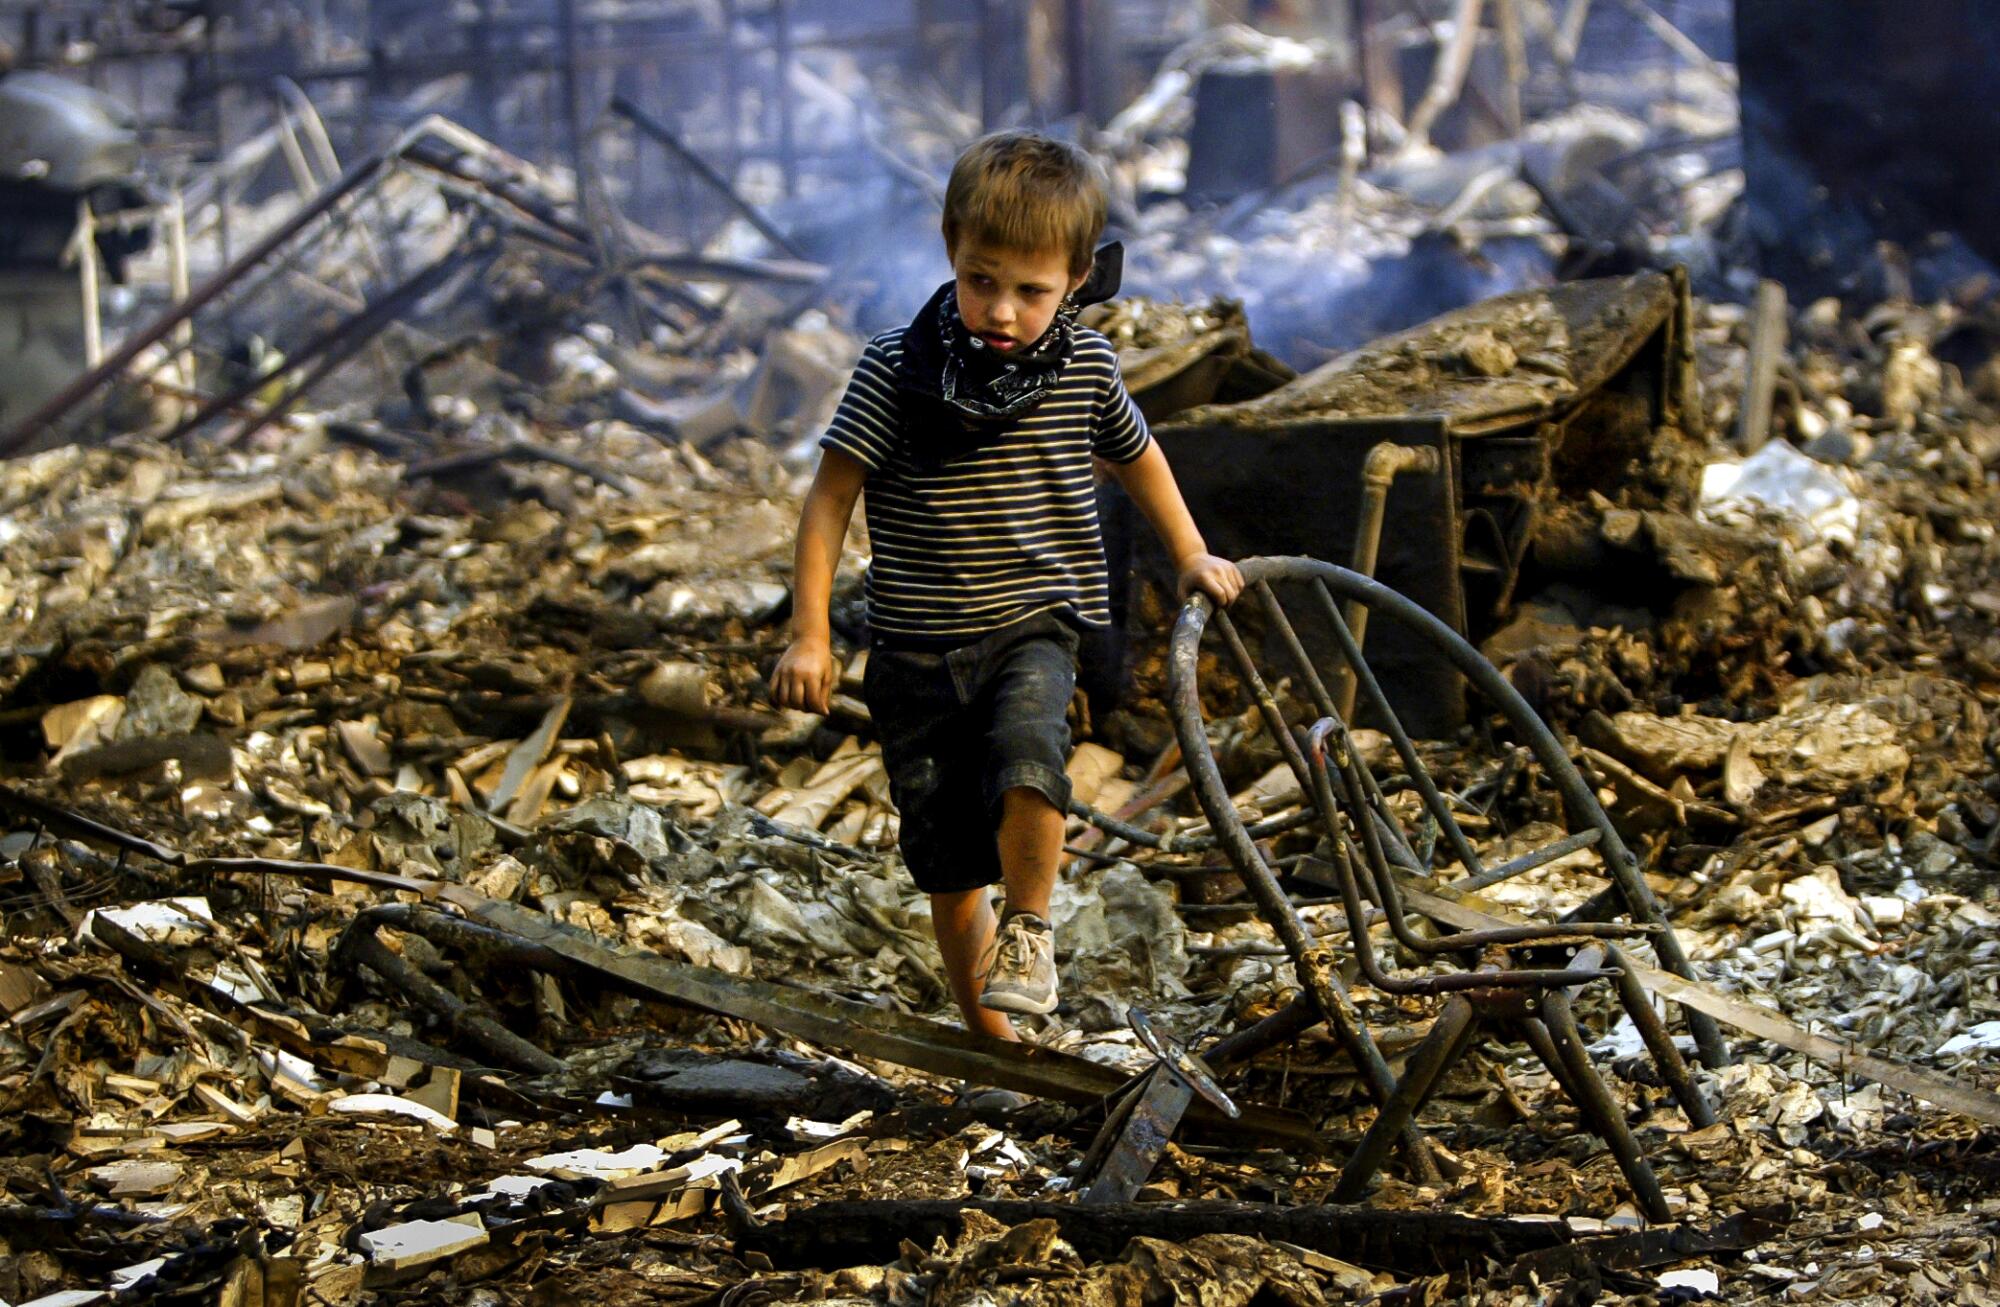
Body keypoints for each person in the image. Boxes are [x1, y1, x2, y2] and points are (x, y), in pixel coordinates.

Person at [771, 131, 1243, 1040]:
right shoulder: (895, 370)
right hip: (913, 649)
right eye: (983, 279)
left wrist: (1190, 552)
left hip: (1035, 621)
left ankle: (1029, 930)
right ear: (951, 245)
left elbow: (1140, 458)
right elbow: (829, 501)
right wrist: (812, 635)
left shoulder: (1086, 368)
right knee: (948, 861)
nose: (1002, 309)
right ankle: (998, 1042)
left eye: (1032, 290)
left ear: (1075, 279)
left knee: (1033, 759)